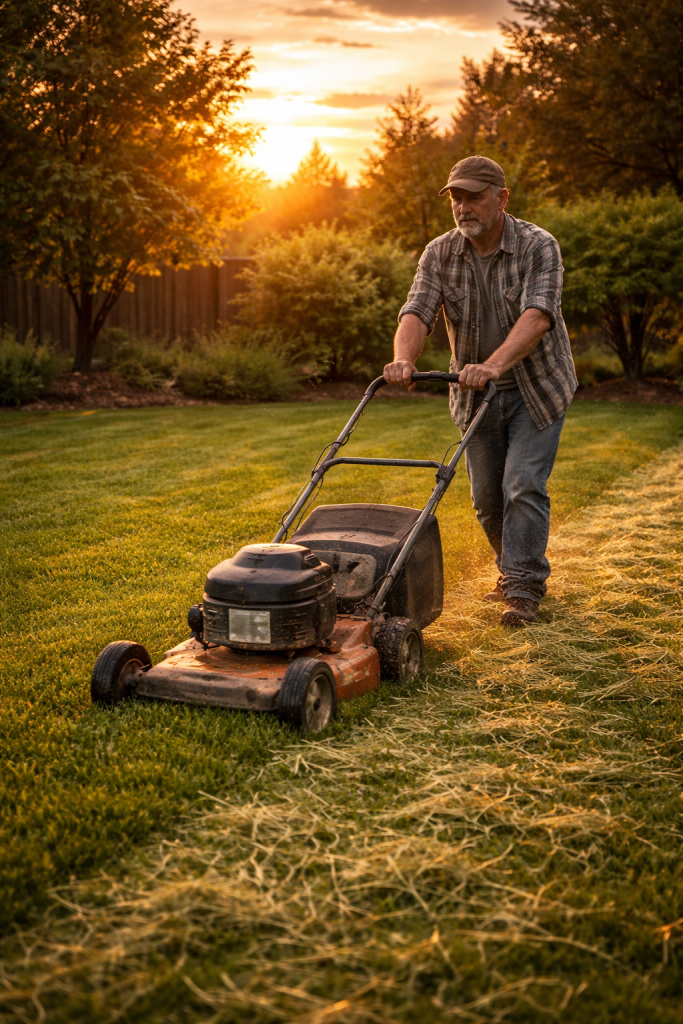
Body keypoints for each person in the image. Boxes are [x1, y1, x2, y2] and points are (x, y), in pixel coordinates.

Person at [384, 155, 577, 626]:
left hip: (536, 389)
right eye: (456, 198)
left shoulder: (537, 246)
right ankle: (514, 570)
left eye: (474, 196)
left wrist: (492, 365)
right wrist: (404, 358)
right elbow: (417, 310)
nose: (464, 207)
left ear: (502, 198)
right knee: (487, 499)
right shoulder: (439, 253)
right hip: (476, 397)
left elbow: (537, 315)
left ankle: (523, 589)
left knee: (522, 485)